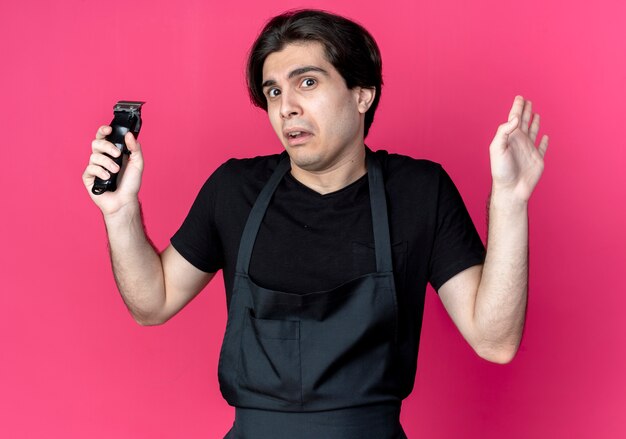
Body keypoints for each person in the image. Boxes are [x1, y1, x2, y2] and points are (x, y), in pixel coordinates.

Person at [82, 9, 549, 439]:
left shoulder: (419, 191)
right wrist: (120, 212)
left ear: (362, 94)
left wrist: (510, 202)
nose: (286, 107)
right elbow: (153, 303)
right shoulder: (234, 189)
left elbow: (495, 341)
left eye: (307, 83)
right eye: (273, 91)